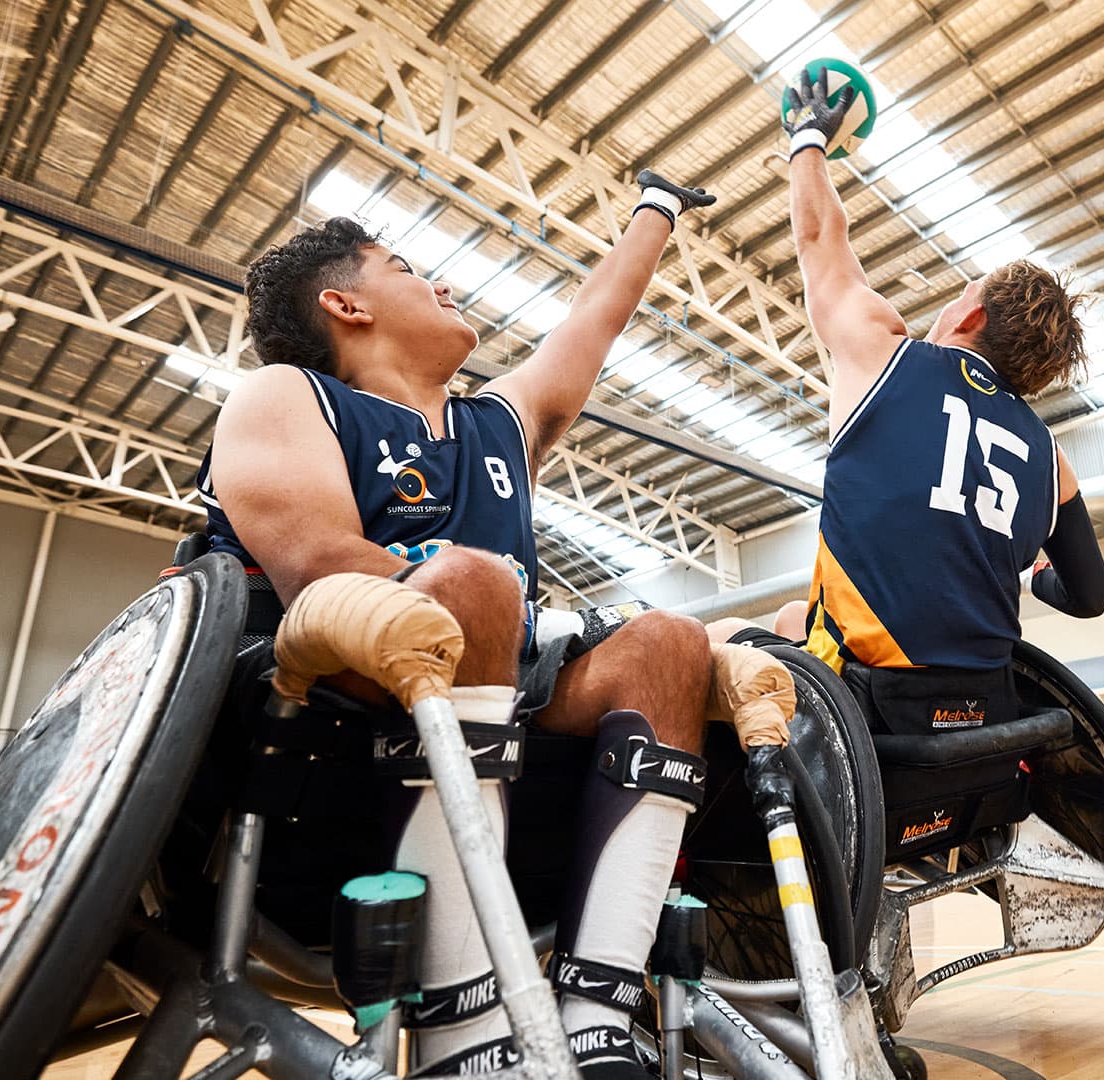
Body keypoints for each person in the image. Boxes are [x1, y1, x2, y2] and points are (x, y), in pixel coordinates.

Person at [198, 170, 718, 1077]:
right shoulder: (283, 395)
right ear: (344, 303)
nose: (441, 283)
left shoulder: (496, 425)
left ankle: (597, 1018)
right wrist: (485, 604)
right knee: (473, 586)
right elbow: (318, 567)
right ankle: (465, 1035)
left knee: (670, 644)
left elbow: (590, 323)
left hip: (493, 730)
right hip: (315, 743)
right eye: (403, 265)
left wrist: (656, 210)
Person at [711, 70, 1104, 734]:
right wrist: (1037, 572)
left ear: (971, 312)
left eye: (960, 291)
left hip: (868, 702)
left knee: (710, 635)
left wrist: (805, 139)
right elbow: (1090, 596)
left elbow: (820, 243)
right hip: (979, 708)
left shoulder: (885, 356)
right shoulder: (1048, 456)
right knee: (790, 618)